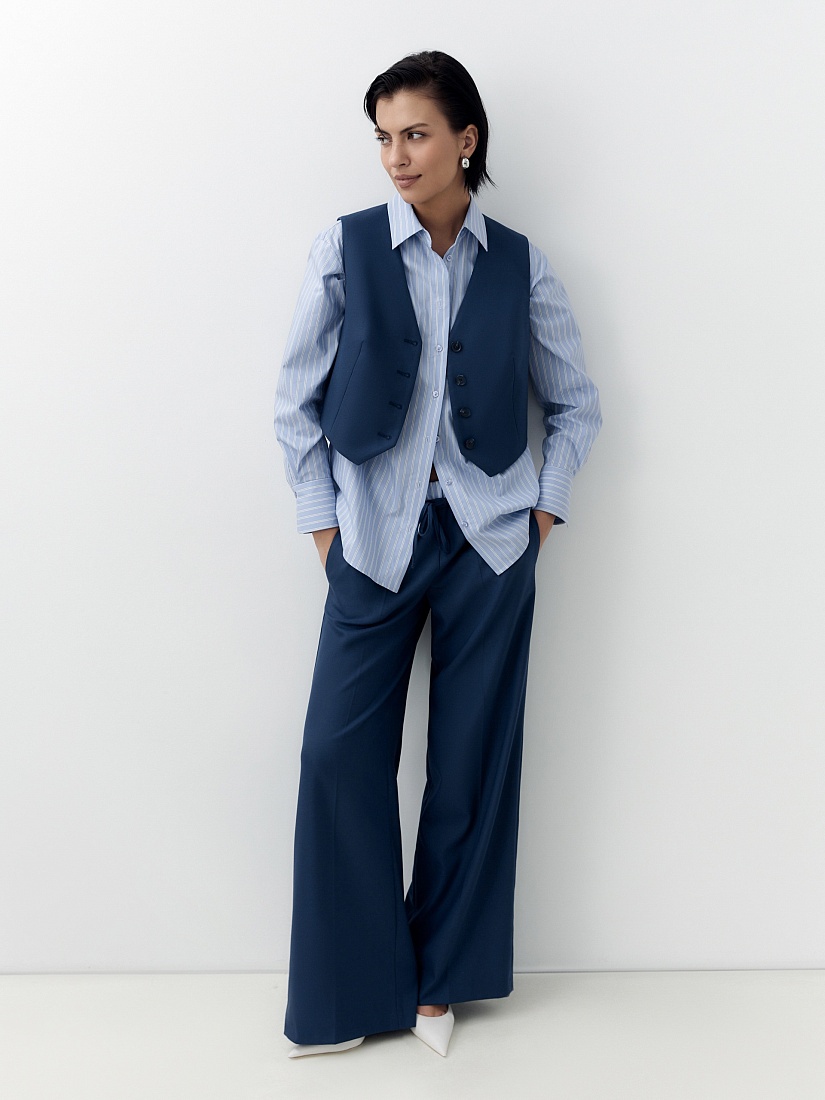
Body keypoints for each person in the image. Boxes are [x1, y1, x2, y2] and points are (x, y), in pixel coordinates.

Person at [273, 49, 602, 1059]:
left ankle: (439, 981)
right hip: (372, 540)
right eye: (383, 137)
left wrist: (539, 516)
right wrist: (324, 529)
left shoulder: (520, 263)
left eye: (414, 134)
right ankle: (348, 993)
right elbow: (293, 403)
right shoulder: (346, 248)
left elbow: (576, 404)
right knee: (337, 757)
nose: (396, 156)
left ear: (466, 139)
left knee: (470, 766)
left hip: (489, 541)